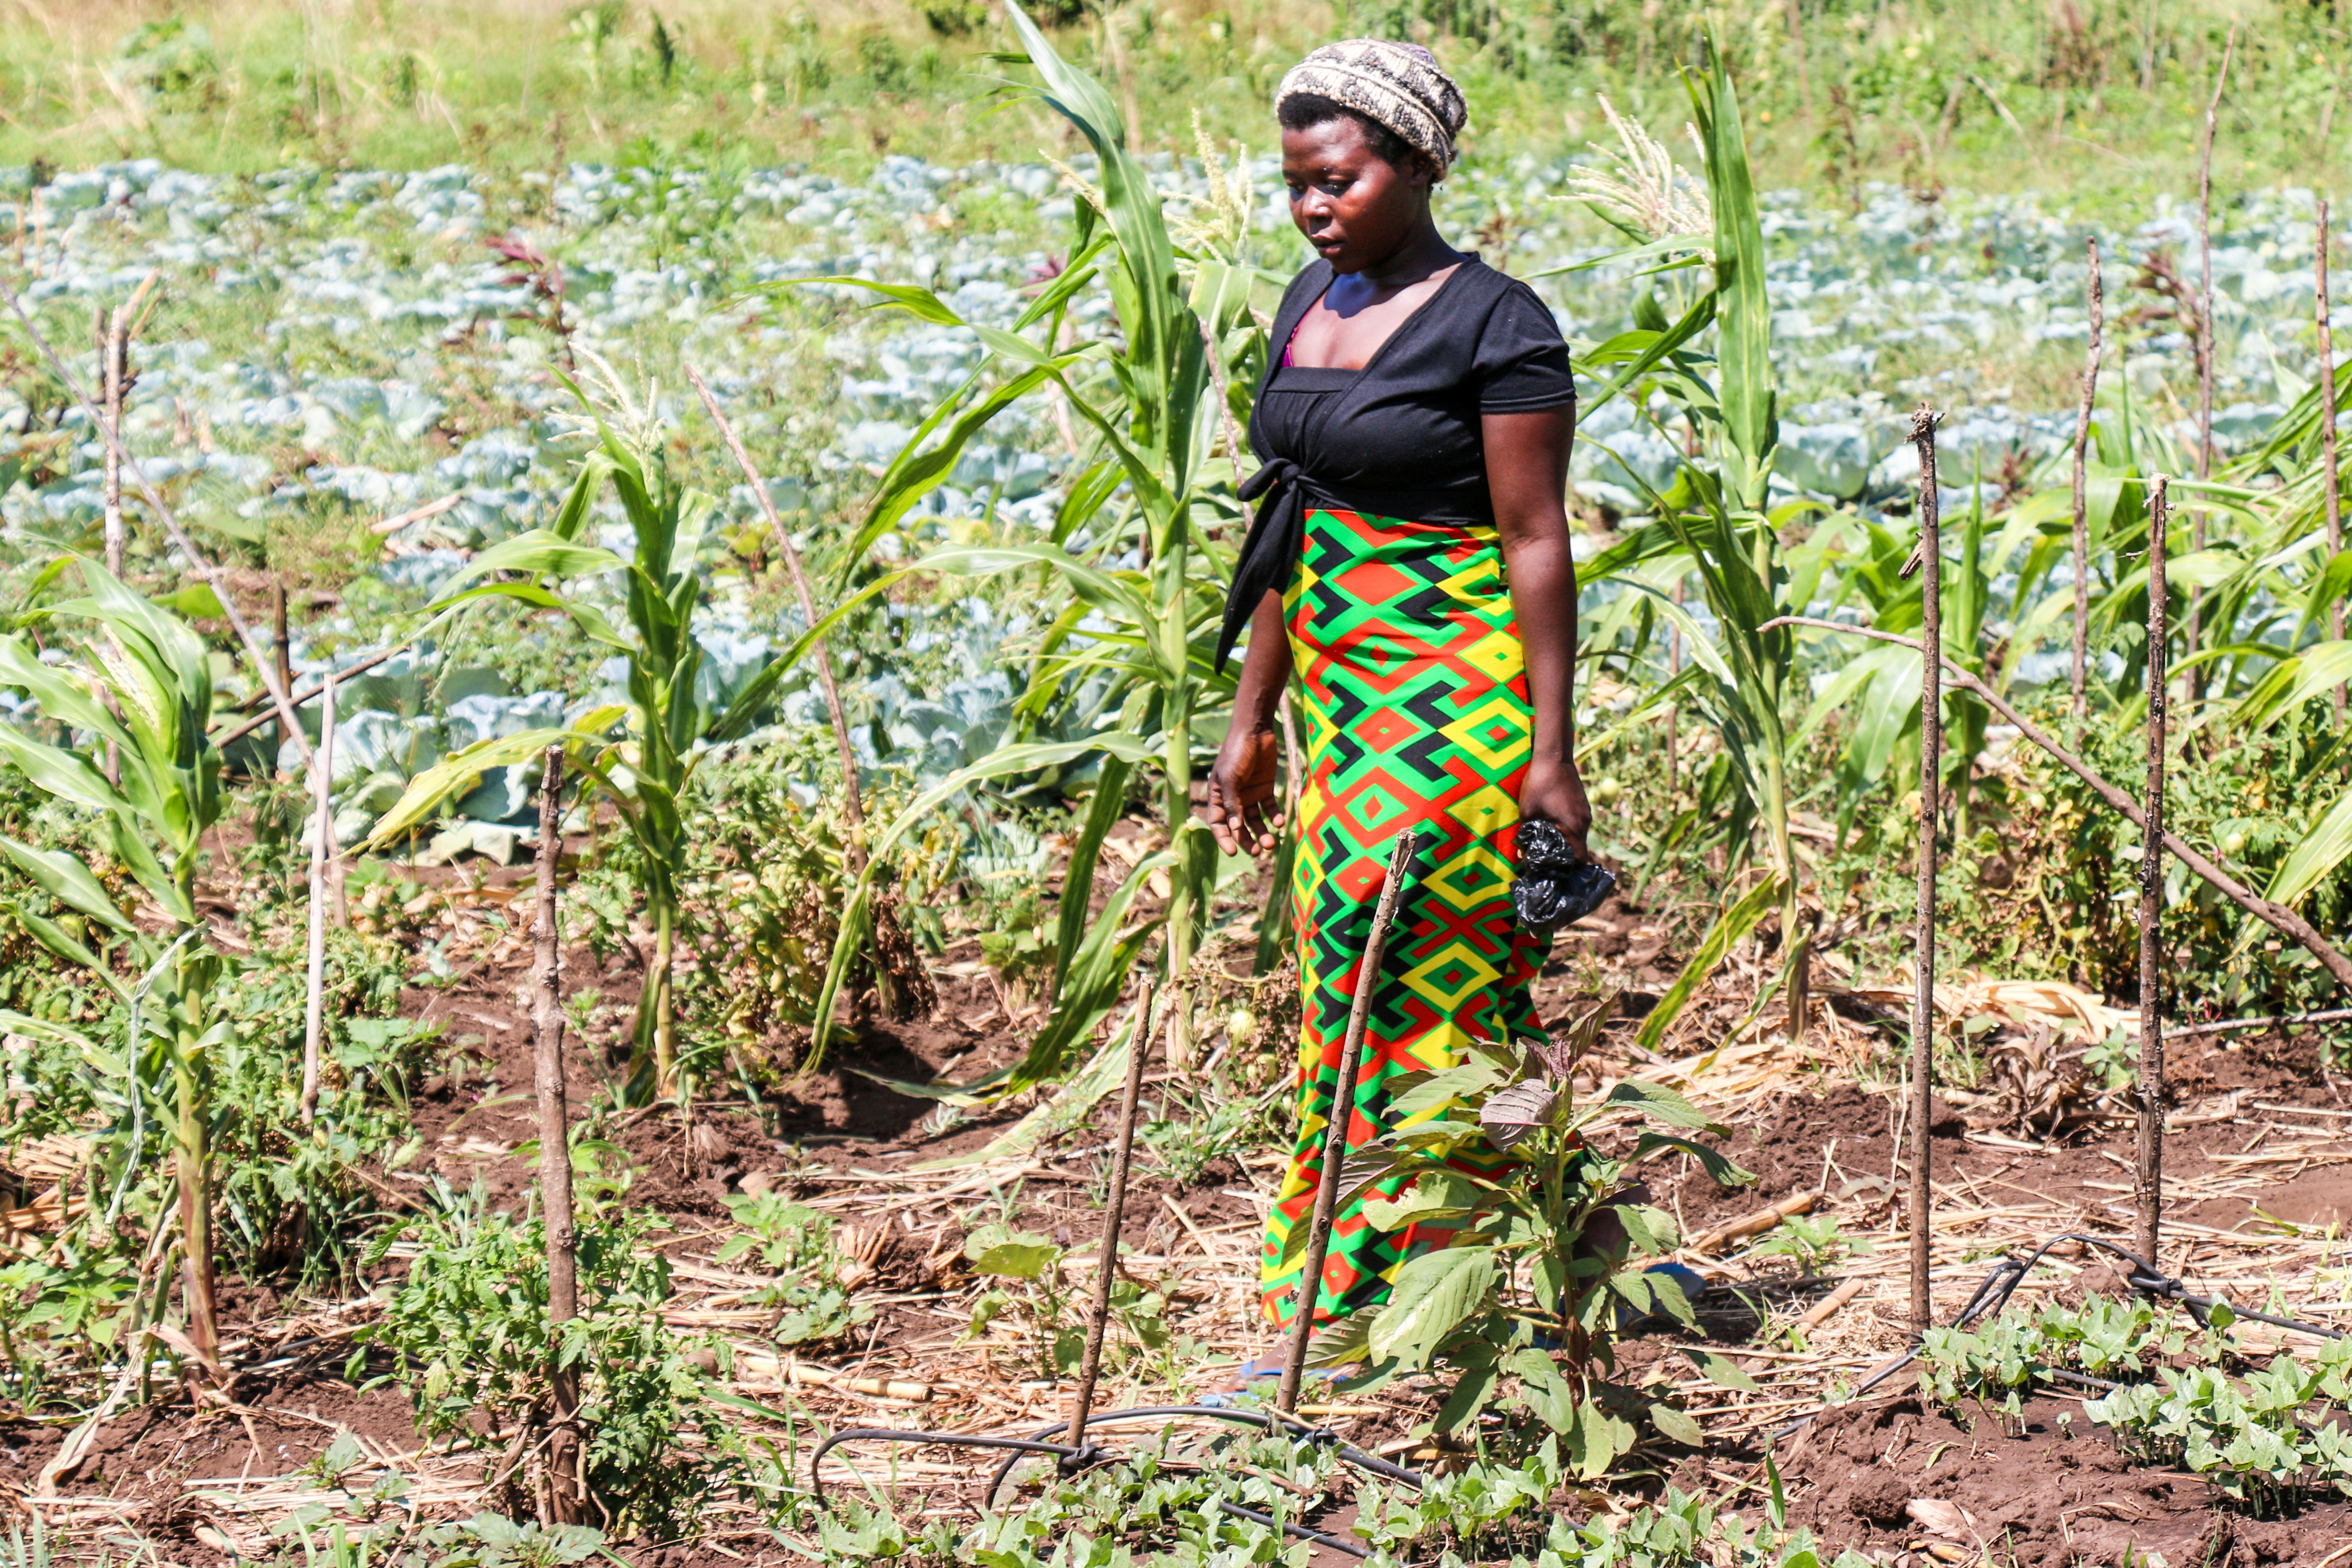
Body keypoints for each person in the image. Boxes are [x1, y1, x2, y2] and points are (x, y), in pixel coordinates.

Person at [1202, 38, 1591, 1340]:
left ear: (1418, 164)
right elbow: (1288, 528)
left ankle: (1392, 1283)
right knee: (1357, 960)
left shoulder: (1499, 322)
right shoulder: (1304, 311)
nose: (1314, 208)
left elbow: (1537, 538)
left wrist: (1554, 749)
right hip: (1344, 694)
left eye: (1340, 180)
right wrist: (1253, 721)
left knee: (1404, 941)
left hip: (1458, 684)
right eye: (1297, 185)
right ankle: (1478, 1254)